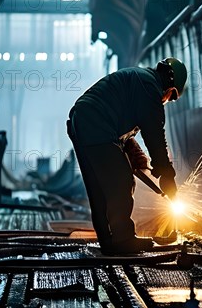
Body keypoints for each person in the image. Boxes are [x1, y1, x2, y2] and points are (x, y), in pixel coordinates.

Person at [66, 57, 187, 255]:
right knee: (121, 181)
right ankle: (123, 240)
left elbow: (120, 121)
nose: (166, 100)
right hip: (96, 123)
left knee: (99, 188)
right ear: (169, 85)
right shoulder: (150, 89)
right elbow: (155, 136)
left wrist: (133, 151)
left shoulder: (139, 80)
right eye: (171, 96)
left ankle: (108, 241)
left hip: (82, 121)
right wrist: (167, 174)